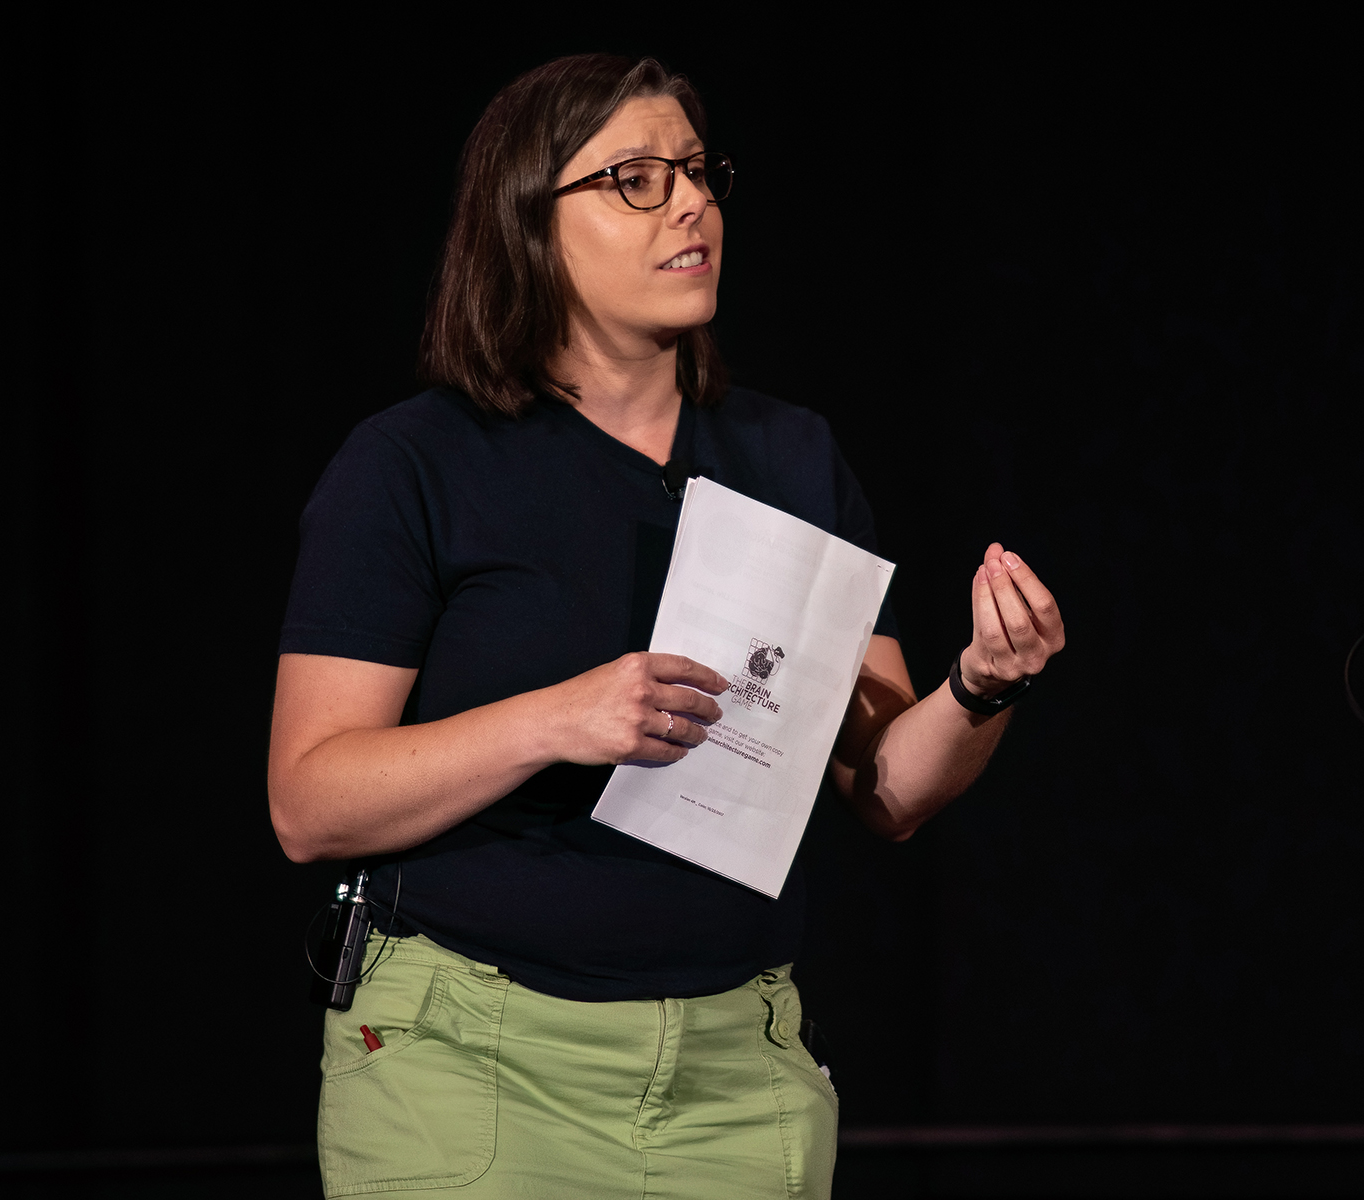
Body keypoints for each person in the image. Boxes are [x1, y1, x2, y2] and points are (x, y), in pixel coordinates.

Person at [268, 53, 1064, 1200]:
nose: (691, 203)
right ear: (526, 223)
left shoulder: (792, 459)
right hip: (470, 1064)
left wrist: (984, 684)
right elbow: (308, 803)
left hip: (734, 1075)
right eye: (635, 179)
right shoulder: (415, 466)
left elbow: (886, 787)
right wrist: (559, 719)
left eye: (698, 173)